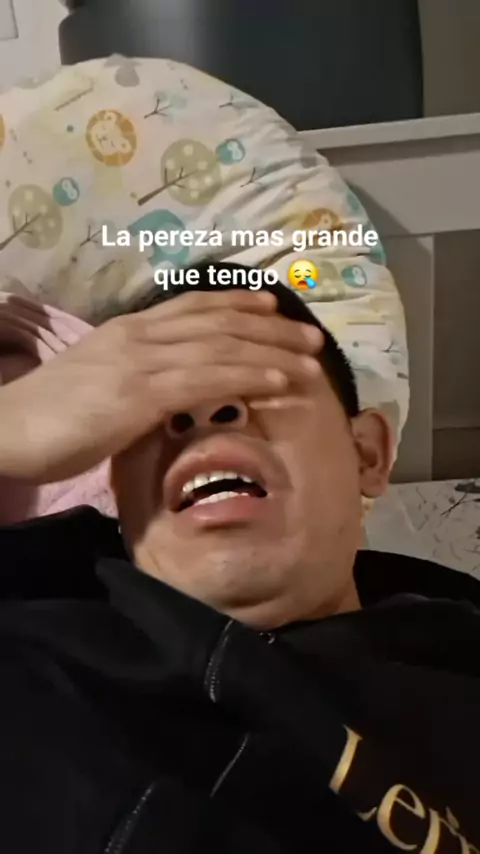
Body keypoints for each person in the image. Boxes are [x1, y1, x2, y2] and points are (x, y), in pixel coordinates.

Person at [1, 263, 479, 854]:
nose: (203, 414)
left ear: (368, 454)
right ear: (119, 497)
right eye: (156, 403)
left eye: (260, 375)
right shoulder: (32, 653)